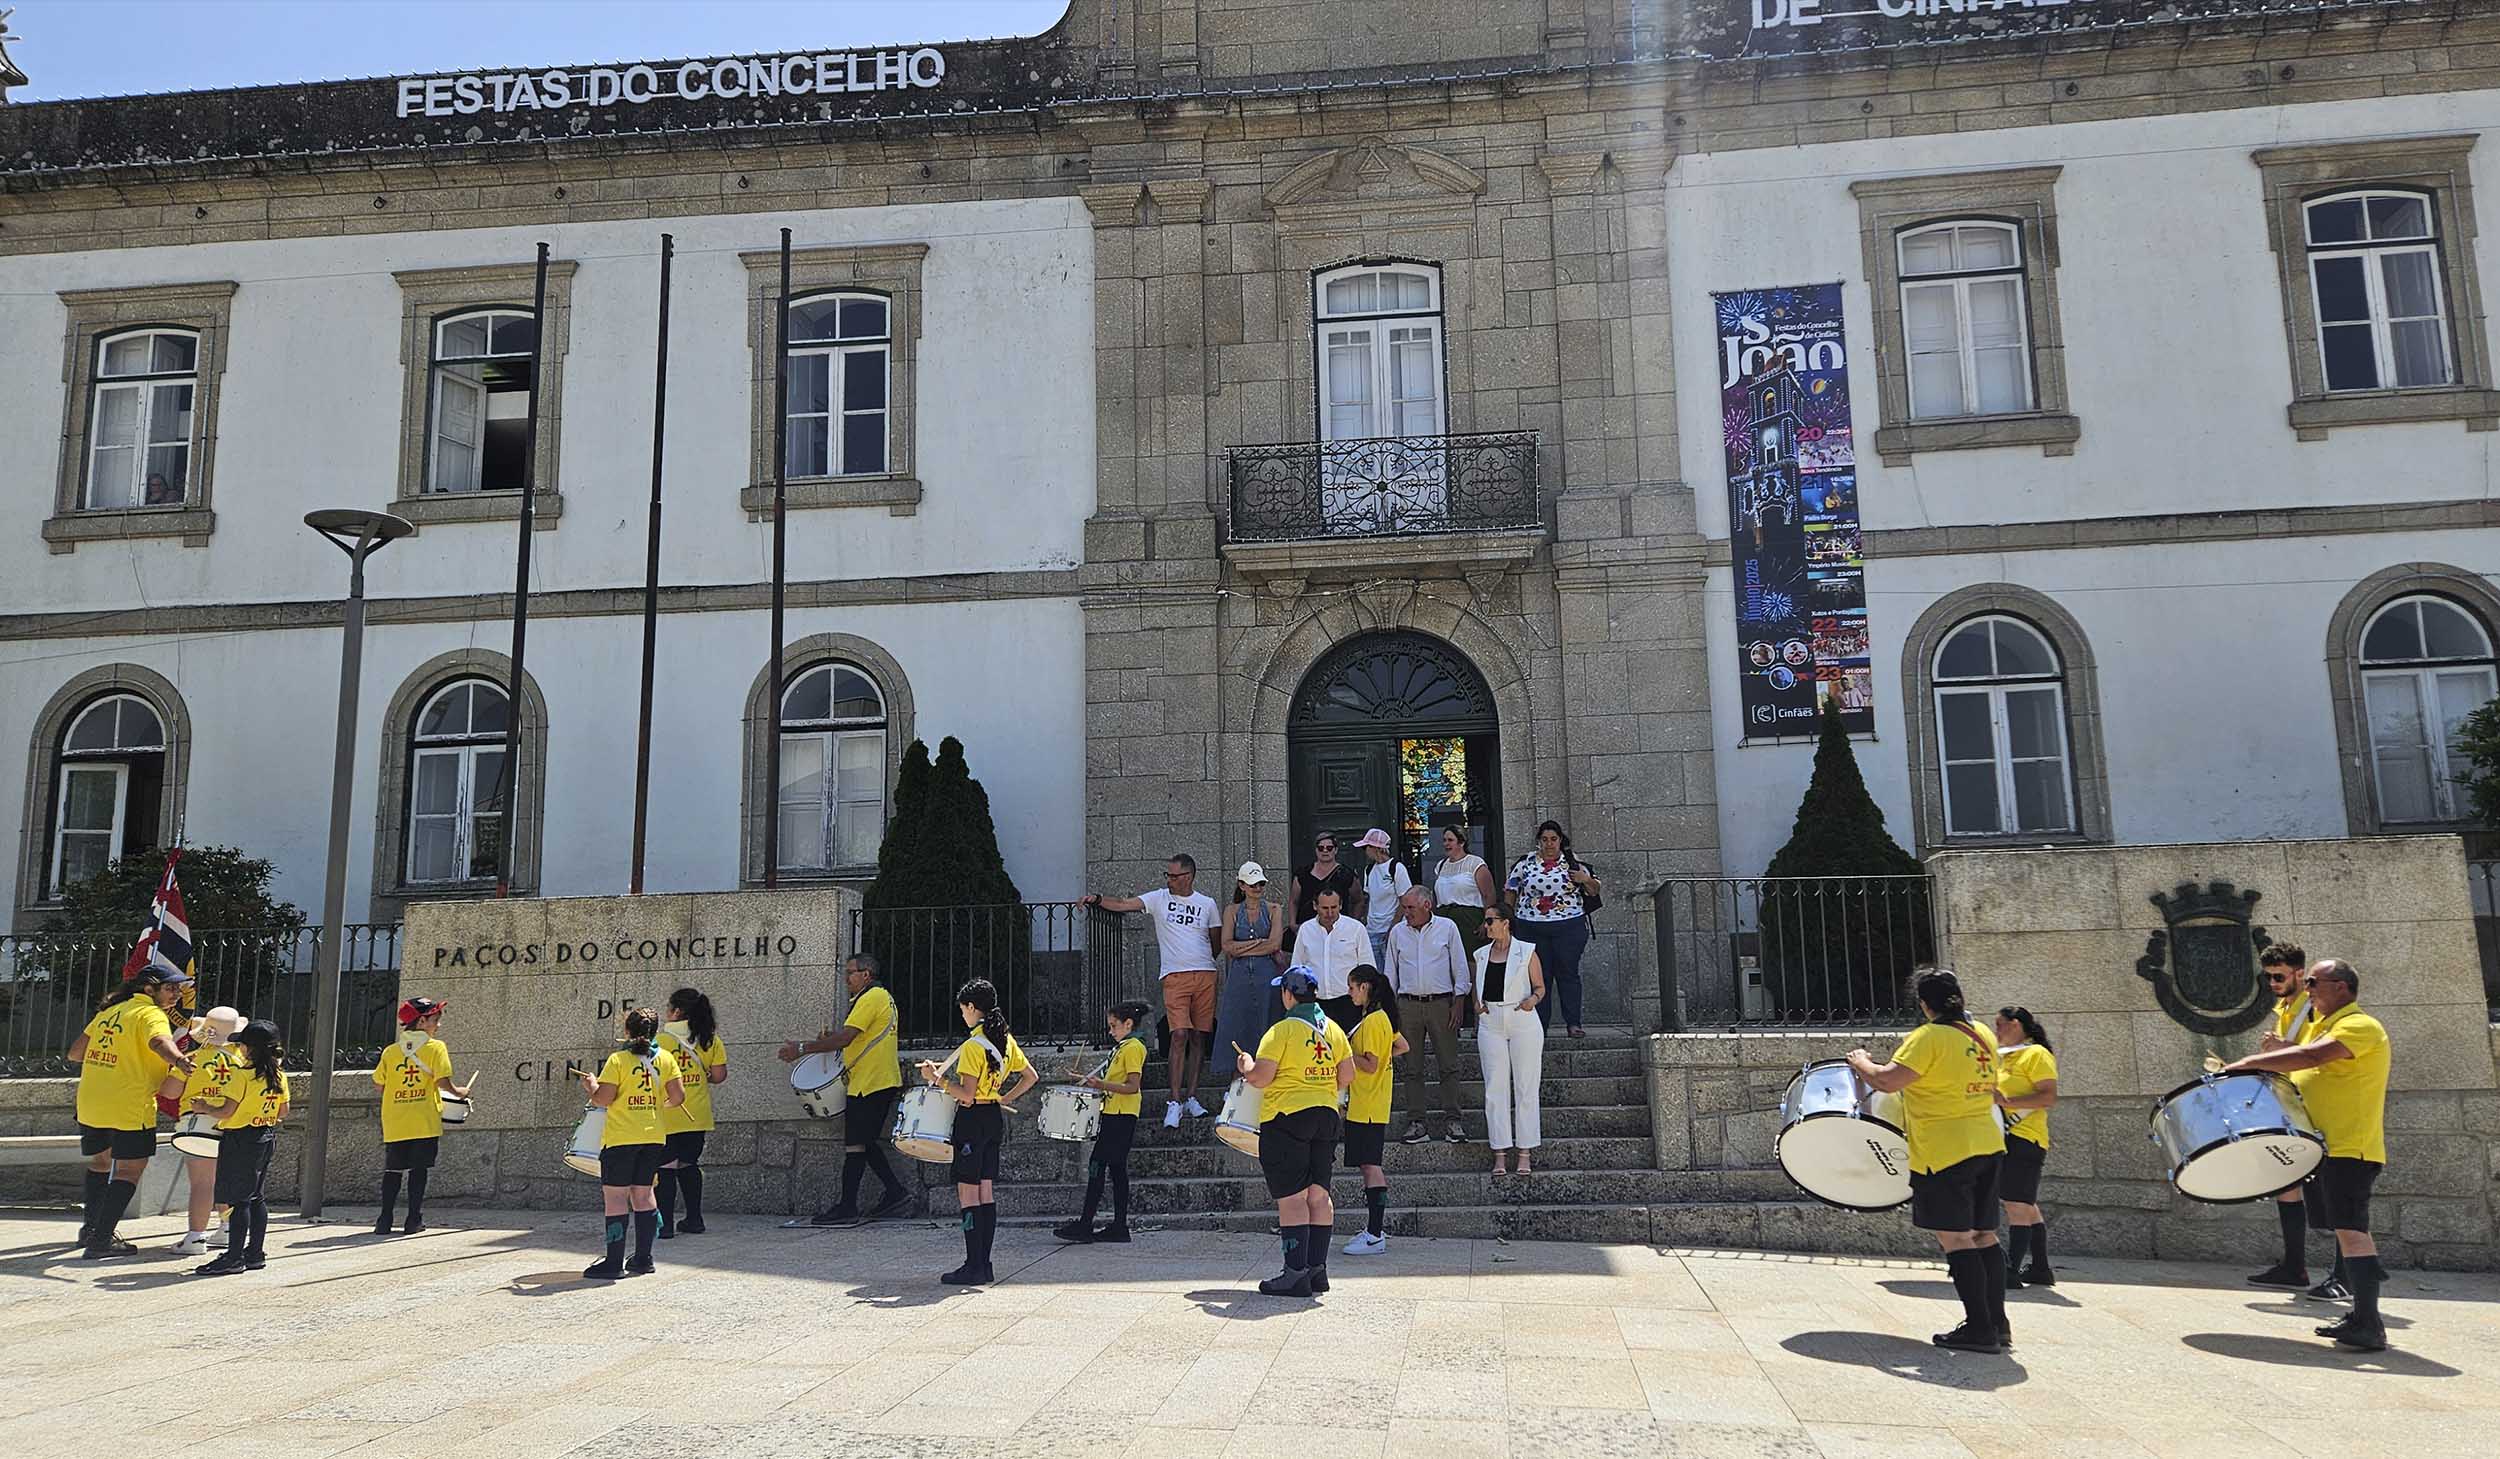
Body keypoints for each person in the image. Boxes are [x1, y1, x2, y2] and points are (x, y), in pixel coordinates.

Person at [2223, 958, 2394, 1352]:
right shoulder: (2322, 1027)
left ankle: (2369, 1323)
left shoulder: (2359, 1025)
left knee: (2353, 1232)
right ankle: (2361, 1315)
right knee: (2346, 1230)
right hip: (2327, 1148)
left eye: (2315, 982)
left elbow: (2313, 1058)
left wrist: (2248, 1064)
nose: (2310, 989)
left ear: (2342, 987)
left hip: (2351, 1147)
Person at [1847, 968, 2009, 1354]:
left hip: (1945, 1149)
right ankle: (1997, 1323)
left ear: (1923, 1004)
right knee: (1984, 1234)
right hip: (1987, 1142)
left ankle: (1980, 1329)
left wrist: (1860, 1062)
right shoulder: (1982, 1035)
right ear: (1961, 999)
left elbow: (1887, 1081)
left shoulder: (1928, 1038)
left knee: (1955, 1238)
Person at [1236, 967, 1354, 1298]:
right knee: (1318, 1195)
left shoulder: (1282, 1030)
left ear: (1288, 994)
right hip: (1326, 1115)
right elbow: (1347, 1076)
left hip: (1287, 1116)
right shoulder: (1333, 1029)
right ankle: (1317, 1270)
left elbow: (1260, 1077)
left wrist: (1245, 1064)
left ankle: (1294, 1272)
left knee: (1292, 1198)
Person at [1085, 854, 1221, 1129]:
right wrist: (1098, 899)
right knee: (1178, 1033)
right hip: (1174, 976)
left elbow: (1215, 941)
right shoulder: (1159, 898)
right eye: (1167, 875)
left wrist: (1203, 962)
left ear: (1189, 876)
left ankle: (1191, 1097)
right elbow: (1125, 904)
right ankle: (1173, 1101)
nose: (1169, 880)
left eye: (1174, 876)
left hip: (1204, 973)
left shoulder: (1207, 904)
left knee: (1198, 1036)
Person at [69, 965, 194, 1260]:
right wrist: (179, 1061)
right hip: (129, 1104)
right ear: (149, 989)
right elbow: (158, 1042)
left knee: (101, 1163)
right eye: (171, 988)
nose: (177, 993)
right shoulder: (150, 1014)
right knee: (129, 1170)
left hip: (92, 1102)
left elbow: (75, 1053)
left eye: (178, 988)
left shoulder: (110, 1011)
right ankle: (101, 1240)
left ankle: (90, 1229)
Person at [920, 978, 1038, 1286]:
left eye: (963, 1010)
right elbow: (1031, 1076)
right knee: (985, 1191)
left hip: (972, 1120)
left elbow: (967, 1095)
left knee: (968, 1192)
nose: (963, 1015)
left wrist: (937, 1079)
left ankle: (973, 1265)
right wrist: (1004, 1098)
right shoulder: (1006, 1041)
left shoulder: (974, 1046)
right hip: (993, 1118)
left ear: (973, 1008)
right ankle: (983, 1265)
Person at [781, 953, 913, 1227]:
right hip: (872, 1081)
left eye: (851, 972)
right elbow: (851, 1039)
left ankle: (849, 1206)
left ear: (866, 974)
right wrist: (831, 1040)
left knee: (856, 1143)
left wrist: (802, 1049)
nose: (846, 978)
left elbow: (847, 1037)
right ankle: (894, 1194)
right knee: (862, 1142)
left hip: (871, 1083)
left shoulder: (871, 998)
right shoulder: (876, 998)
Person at [578, 1007, 685, 1280]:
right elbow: (678, 1097)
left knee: (615, 1198)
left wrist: (591, 1085)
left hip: (621, 1138)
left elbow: (603, 1099)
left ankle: (613, 1263)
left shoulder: (618, 1060)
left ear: (628, 1031)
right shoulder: (666, 1059)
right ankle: (643, 1258)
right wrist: (656, 1105)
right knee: (644, 1194)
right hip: (653, 1136)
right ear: (655, 1030)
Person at [2247, 941, 2325, 1292]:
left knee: (2331, 1194)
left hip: (2316, 1107)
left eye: (2279, 976)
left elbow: (2319, 1054)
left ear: (2299, 973)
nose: (2274, 983)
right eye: (2268, 977)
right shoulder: (2286, 1008)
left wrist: (2283, 1050)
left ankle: (2346, 1273)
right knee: (2287, 1186)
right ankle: (2294, 1267)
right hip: (2292, 1103)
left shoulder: (2314, 1008)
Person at [192, 1020, 288, 1277]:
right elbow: (283, 1111)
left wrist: (205, 1108)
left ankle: (234, 1256)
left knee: (237, 1200)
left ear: (248, 1048)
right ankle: (255, 1252)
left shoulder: (242, 1074)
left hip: (240, 1139)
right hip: (265, 1136)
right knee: (256, 1196)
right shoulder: (278, 1075)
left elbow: (227, 1110)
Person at [1058, 998, 1151, 1244]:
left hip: (1121, 1115)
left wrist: (1101, 1084)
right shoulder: (1123, 1048)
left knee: (1099, 1164)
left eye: (1113, 1026)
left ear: (1128, 1023)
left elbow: (1132, 1086)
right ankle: (1117, 1225)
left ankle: (1087, 1223)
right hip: (1115, 1113)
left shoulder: (1132, 1048)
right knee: (1116, 1169)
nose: (1110, 1031)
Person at [1382, 887, 1469, 1144]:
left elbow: (1460, 965)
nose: (1405, 913)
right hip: (1407, 1004)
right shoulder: (1397, 932)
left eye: (1410, 908)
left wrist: (1459, 1001)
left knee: (1449, 1064)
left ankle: (1453, 1120)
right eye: (1404, 907)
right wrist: (1390, 1008)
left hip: (1441, 1002)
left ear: (1427, 905)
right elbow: (1390, 971)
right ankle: (1417, 1122)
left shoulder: (1448, 927)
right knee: (1411, 1066)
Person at [375, 997, 468, 1236]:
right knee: (419, 1171)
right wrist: (460, 1092)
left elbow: (380, 1085)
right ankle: (413, 1220)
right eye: (435, 1020)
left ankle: (384, 1220)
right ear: (422, 1021)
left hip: (395, 1118)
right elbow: (442, 1081)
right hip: (423, 1119)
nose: (438, 1025)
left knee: (392, 1170)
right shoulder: (436, 1047)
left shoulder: (391, 1052)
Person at [1505, 820, 1601, 1037]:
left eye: (1553, 839)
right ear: (1539, 841)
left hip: (1568, 926)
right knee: (1540, 976)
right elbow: (1510, 889)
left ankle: (1573, 1023)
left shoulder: (1572, 862)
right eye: (1545, 839)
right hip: (1531, 927)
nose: (1549, 844)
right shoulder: (1526, 862)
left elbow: (1594, 890)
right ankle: (1539, 1026)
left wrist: (1585, 879)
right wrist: (1508, 919)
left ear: (1560, 840)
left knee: (1568, 974)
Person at [162, 1005, 245, 1255]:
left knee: (202, 1183)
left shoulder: (193, 1059)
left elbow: (170, 1092)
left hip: (198, 1125)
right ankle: (227, 1228)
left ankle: (196, 1237)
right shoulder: (242, 1060)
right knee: (226, 1180)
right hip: (233, 1124)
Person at [1473, 900, 1546, 1177]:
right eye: (1486, 920)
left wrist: (1532, 1001)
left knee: (1526, 1085)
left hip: (1521, 1018)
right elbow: (1477, 988)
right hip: (1491, 1021)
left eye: (1491, 920)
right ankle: (1500, 1152)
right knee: (1495, 1087)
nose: (1487, 925)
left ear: (1506, 922)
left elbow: (1540, 987)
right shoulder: (1481, 955)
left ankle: (1525, 1151)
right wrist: (1476, 1006)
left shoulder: (1526, 952)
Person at [1340, 966, 1408, 1257]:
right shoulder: (1383, 1020)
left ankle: (1375, 1233)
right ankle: (1373, 1230)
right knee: (1368, 1164)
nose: (1350, 992)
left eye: (1353, 987)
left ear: (1365, 987)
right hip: (1374, 1101)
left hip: (1366, 1103)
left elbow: (1368, 1063)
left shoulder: (1371, 1022)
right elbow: (1401, 1046)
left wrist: (1343, 1054)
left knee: (1371, 1166)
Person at [1992, 1006, 2059, 1288]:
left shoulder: (2036, 1054)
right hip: (2008, 1137)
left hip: (2025, 1137)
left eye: (2000, 1025)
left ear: (2016, 1024)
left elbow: (2047, 1096)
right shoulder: (2004, 1058)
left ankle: (2011, 1269)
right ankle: (2041, 1268)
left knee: (2016, 1204)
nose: (1996, 1031)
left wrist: (2004, 1101)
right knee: (2026, 1204)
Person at [656, 986, 729, 1239]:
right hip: (696, 1113)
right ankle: (694, 1218)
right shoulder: (709, 1039)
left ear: (676, 1011)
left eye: (668, 1008)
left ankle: (663, 1225)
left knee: (664, 1167)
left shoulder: (660, 1041)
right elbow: (719, 1076)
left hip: (667, 1112)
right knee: (689, 1164)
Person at [1215, 861, 1286, 1077]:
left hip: (1266, 974)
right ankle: (1237, 1075)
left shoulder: (1274, 909)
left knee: (1269, 1019)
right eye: (1253, 884)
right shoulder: (1232, 911)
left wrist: (1241, 947)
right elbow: (1226, 946)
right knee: (1238, 1022)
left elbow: (1274, 944)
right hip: (1240, 976)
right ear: (1242, 885)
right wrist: (1257, 944)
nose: (1257, 888)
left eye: (1260, 884)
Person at [1291, 888, 1372, 1030]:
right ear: (1315, 906)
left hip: (1349, 1002)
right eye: (1325, 908)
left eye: (1334, 907)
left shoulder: (1356, 929)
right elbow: (1297, 968)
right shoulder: (1306, 930)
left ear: (1340, 905)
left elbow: (1368, 969)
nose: (1330, 913)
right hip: (1316, 1003)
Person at [1432, 825, 1497, 955]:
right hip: (1444, 918)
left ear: (1461, 842)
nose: (1446, 844)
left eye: (1450, 840)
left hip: (1468, 918)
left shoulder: (1475, 863)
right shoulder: (1441, 866)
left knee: (1470, 959)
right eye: (1444, 840)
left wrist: (1487, 921)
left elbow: (1489, 894)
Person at [1354, 828, 1412, 957]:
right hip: (1372, 929)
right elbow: (1368, 898)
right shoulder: (1368, 869)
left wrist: (1393, 926)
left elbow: (1404, 900)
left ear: (1375, 848)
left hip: (1392, 929)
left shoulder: (1397, 868)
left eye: (1366, 847)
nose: (1365, 852)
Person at [1292, 832, 1359, 926]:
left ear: (1335, 850)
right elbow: (1294, 901)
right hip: (1307, 927)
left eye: (1329, 848)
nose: (1325, 851)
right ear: (1316, 850)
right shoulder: (1302, 874)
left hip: (1339, 927)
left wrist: (1353, 924)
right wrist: (1292, 923)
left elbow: (1358, 900)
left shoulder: (1347, 874)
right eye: (1320, 848)